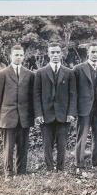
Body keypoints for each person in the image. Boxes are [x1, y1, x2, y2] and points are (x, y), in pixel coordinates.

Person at [34, 42, 77, 172]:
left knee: (62, 144)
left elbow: (73, 94)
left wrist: (71, 113)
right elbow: (36, 95)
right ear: (48, 54)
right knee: (47, 144)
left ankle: (60, 168)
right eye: (52, 52)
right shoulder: (40, 72)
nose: (55, 55)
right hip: (46, 114)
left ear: (61, 54)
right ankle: (49, 168)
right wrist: (38, 114)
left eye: (57, 52)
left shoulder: (69, 72)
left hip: (63, 114)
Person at [0, 44, 34, 179]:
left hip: (24, 117)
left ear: (24, 56)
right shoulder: (2, 73)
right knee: (8, 147)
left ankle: (22, 171)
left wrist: (32, 115)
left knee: (23, 146)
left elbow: (31, 96)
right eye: (16, 55)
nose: (18, 57)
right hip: (7, 117)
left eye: (21, 55)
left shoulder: (29, 74)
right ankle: (9, 173)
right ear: (11, 56)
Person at [73, 43, 97, 168]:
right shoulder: (78, 68)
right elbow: (74, 91)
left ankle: (96, 162)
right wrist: (74, 108)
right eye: (93, 52)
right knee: (82, 135)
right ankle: (79, 163)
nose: (95, 54)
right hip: (84, 107)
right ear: (88, 52)